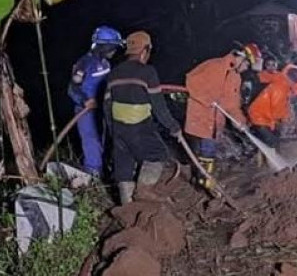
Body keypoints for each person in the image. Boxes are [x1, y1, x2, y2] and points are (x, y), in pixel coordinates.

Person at [104, 31, 182, 204]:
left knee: (124, 163)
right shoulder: (147, 72)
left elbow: (106, 106)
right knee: (158, 153)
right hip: (138, 126)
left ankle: (127, 205)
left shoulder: (113, 74)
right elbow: (159, 107)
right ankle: (144, 190)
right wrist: (173, 127)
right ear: (144, 51)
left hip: (118, 128)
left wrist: (113, 131)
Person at [184, 46, 249, 176]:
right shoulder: (214, 65)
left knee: (209, 154)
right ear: (241, 57)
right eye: (247, 64)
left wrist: (239, 120)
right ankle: (201, 180)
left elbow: (232, 104)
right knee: (199, 154)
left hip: (214, 124)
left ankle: (205, 180)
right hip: (199, 120)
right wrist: (208, 100)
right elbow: (191, 81)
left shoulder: (236, 78)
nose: (246, 68)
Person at [68, 26, 124, 178]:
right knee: (91, 141)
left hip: (104, 108)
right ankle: (93, 175)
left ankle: (108, 171)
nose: (114, 51)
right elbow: (72, 88)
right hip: (86, 111)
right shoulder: (84, 63)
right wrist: (85, 100)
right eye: (112, 47)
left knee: (107, 139)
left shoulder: (106, 63)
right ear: (102, 46)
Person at [248, 67, 297, 150]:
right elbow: (277, 111)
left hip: (262, 113)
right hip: (259, 116)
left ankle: (263, 158)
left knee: (274, 137)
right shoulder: (281, 88)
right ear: (293, 81)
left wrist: (289, 114)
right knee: (272, 142)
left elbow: (284, 105)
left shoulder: (280, 78)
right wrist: (286, 119)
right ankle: (267, 160)